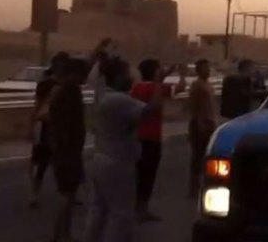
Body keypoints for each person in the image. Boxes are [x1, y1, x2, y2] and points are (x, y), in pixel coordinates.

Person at [84, 57, 169, 242]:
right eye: (127, 74)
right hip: (117, 163)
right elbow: (152, 110)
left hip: (101, 158)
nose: (131, 78)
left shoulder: (103, 95)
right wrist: (158, 83)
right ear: (118, 77)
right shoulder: (119, 99)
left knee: (98, 210)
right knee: (120, 215)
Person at [130, 59, 183, 222]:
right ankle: (142, 210)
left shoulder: (136, 88)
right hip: (151, 138)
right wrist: (181, 74)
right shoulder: (156, 89)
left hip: (137, 137)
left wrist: (165, 75)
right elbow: (179, 88)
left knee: (138, 174)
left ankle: (136, 207)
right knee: (148, 175)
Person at [47, 57, 88, 242]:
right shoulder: (69, 93)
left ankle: (63, 234)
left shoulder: (64, 91)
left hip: (65, 150)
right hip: (67, 151)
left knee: (69, 196)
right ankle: (60, 235)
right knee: (68, 195)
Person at [28, 53, 66, 208]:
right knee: (41, 162)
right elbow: (37, 105)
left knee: (52, 162)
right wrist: (32, 126)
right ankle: (35, 194)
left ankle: (37, 194)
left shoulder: (64, 85)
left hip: (54, 127)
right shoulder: (52, 85)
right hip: (47, 126)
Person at [188, 59, 218, 198]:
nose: (208, 70)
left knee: (208, 155)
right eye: (205, 68)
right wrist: (198, 123)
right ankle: (193, 189)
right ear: (198, 70)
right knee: (198, 156)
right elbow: (193, 106)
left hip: (209, 122)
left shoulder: (208, 85)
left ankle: (203, 185)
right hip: (200, 124)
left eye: (208, 67)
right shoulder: (197, 85)